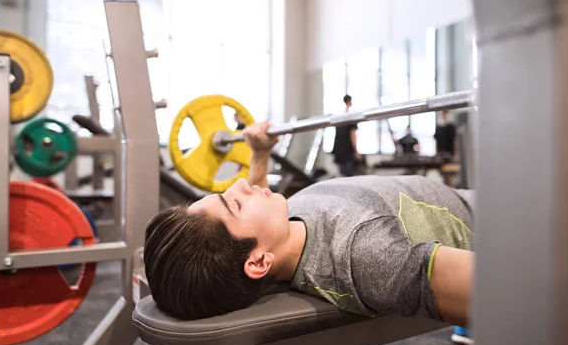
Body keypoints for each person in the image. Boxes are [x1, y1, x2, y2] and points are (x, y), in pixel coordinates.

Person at [144, 122, 475, 328]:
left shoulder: (276, 232)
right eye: (234, 203)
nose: (240, 186)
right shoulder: (362, 255)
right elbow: (496, 292)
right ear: (259, 262)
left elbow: (244, 240)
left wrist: (259, 155)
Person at [332, 95, 363, 176]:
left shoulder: (338, 118)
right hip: (348, 152)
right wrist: (356, 151)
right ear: (349, 101)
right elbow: (353, 135)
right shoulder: (351, 118)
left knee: (343, 176)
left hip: (339, 151)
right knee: (350, 177)